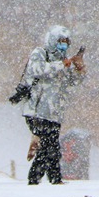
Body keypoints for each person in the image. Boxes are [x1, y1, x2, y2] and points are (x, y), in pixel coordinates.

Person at [20, 24, 86, 185]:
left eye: (66, 42)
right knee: (51, 147)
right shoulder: (40, 53)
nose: (63, 45)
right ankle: (42, 180)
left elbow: (72, 82)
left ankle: (51, 179)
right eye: (60, 41)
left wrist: (78, 69)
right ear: (52, 40)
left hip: (54, 113)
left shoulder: (64, 60)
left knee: (50, 146)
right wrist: (61, 65)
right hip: (37, 111)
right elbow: (37, 69)